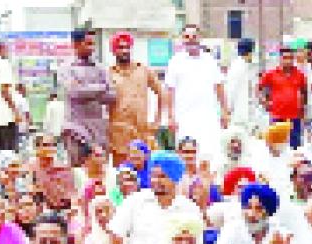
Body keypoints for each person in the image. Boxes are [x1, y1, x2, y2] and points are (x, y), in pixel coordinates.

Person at [108, 150, 199, 244]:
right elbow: (113, 239)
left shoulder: (189, 209)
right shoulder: (135, 201)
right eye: (153, 175)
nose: (156, 181)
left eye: (162, 176)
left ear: (175, 178)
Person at [166, 24, 230, 172]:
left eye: (194, 37)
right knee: (186, 156)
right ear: (182, 39)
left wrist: (225, 112)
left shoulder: (210, 61)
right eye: (187, 37)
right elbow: (169, 91)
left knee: (210, 155)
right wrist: (170, 116)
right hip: (184, 119)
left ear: (199, 38)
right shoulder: (175, 62)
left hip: (208, 118)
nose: (190, 40)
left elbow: (219, 87)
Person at [59, 29, 116, 167]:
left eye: (93, 44)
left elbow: (112, 96)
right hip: (75, 128)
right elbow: (75, 92)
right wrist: (101, 87)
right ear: (76, 45)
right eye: (88, 43)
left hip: (98, 129)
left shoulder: (101, 68)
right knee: (78, 170)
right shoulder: (66, 68)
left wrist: (86, 88)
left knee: (100, 170)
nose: (92, 48)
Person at [108, 31, 163, 167]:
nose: (125, 51)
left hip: (142, 131)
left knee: (145, 168)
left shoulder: (143, 70)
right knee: (121, 171)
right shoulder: (108, 73)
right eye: (120, 47)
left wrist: (157, 120)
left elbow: (162, 93)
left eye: (127, 47)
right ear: (114, 51)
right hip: (118, 133)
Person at [259, 46, 308, 150]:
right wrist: (264, 102)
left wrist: (303, 108)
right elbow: (259, 89)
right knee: (276, 146)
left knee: (295, 147)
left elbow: (304, 92)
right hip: (278, 116)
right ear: (280, 59)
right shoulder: (270, 74)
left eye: (290, 58)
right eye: (285, 58)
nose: (288, 61)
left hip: (295, 117)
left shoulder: (300, 75)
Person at [226, 38, 257, 132]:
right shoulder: (238, 67)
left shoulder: (244, 66)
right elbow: (231, 90)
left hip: (244, 115)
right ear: (250, 52)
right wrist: (227, 110)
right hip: (238, 116)